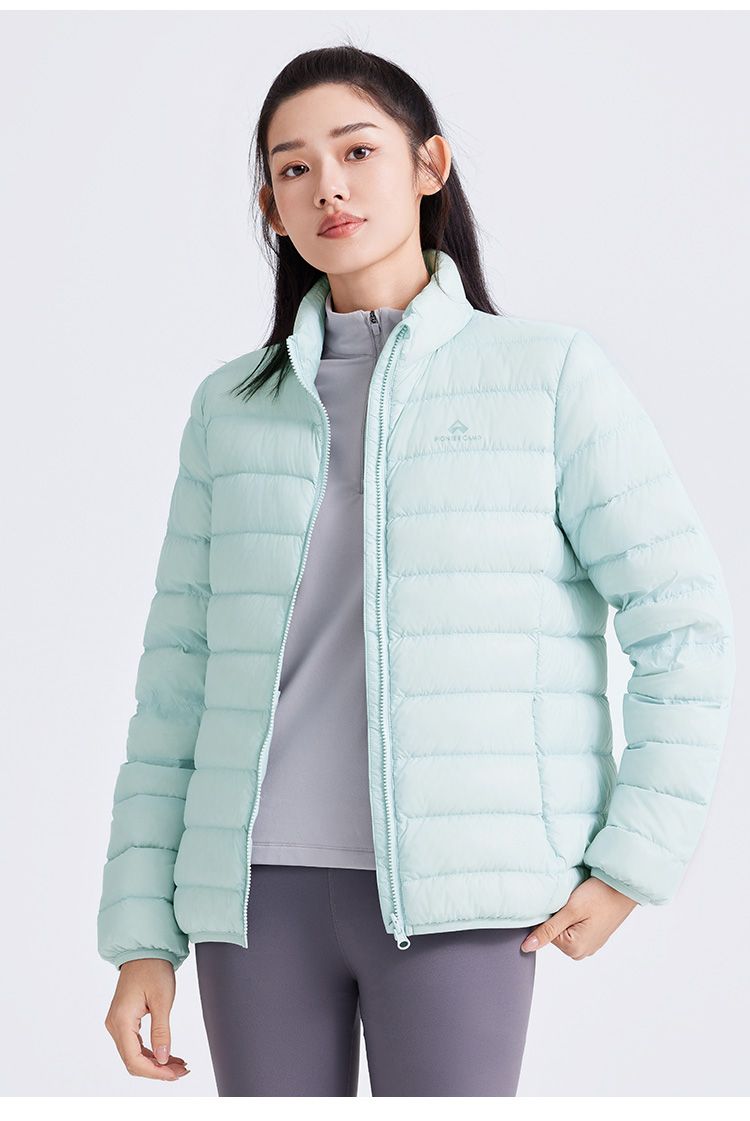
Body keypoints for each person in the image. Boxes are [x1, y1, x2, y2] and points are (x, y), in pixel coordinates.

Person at [98, 46, 736, 1096]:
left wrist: (634, 860)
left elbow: (683, 624)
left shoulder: (547, 376)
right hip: (252, 896)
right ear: (270, 207)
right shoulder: (229, 410)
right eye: (293, 168)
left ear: (429, 165)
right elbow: (175, 680)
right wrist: (140, 935)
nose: (328, 186)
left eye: (357, 151)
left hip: (462, 897)